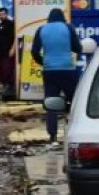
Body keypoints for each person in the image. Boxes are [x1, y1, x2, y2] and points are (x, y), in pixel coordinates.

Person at [31, 8, 79, 144]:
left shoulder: (41, 29)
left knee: (51, 103)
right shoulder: (68, 28)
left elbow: (34, 52)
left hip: (49, 71)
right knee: (74, 101)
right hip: (67, 70)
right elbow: (77, 48)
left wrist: (43, 62)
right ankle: (75, 129)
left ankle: (52, 135)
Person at [0, 8, 15, 99]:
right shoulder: (0, 25)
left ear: (6, 14)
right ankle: (5, 86)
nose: (1, 16)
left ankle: (10, 88)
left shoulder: (10, 24)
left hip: (6, 53)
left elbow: (14, 37)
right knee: (0, 71)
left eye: (3, 14)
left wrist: (12, 49)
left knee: (6, 70)